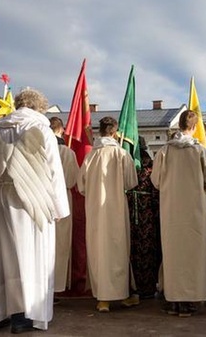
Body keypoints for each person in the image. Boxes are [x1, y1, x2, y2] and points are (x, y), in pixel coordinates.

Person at [0, 88, 70, 334]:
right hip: (30, 199)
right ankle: (25, 315)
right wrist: (59, 207)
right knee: (30, 256)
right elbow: (53, 170)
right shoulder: (41, 130)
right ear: (39, 107)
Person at [151, 109, 206, 317]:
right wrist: (200, 189)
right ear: (194, 127)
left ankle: (174, 300)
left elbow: (156, 180)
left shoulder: (165, 150)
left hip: (171, 209)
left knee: (173, 254)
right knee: (194, 254)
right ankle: (191, 300)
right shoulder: (200, 151)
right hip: (195, 209)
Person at [78, 116, 139, 312]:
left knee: (98, 250)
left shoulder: (91, 156)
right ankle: (120, 295)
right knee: (117, 249)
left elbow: (81, 185)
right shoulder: (121, 154)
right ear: (114, 132)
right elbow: (131, 182)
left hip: (95, 209)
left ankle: (102, 298)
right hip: (116, 209)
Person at [49, 117, 80, 296]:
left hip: (43, 198)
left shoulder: (41, 150)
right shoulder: (68, 153)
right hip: (62, 199)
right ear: (61, 130)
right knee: (60, 245)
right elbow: (74, 179)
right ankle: (57, 286)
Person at [127, 144, 162, 299]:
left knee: (133, 250)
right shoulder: (150, 171)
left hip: (130, 214)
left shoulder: (129, 169)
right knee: (148, 251)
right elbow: (156, 194)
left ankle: (133, 286)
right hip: (147, 216)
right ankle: (147, 287)